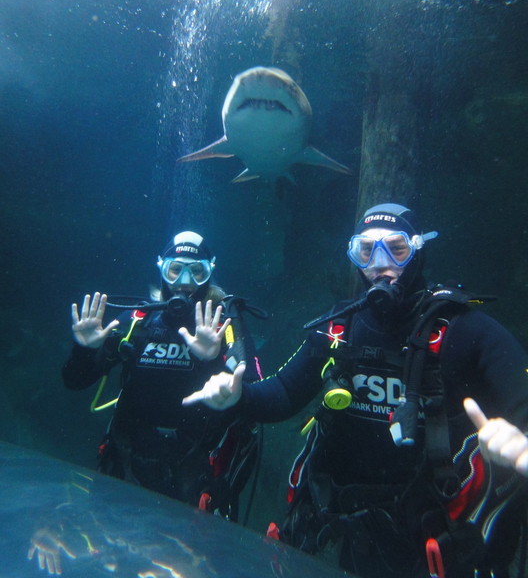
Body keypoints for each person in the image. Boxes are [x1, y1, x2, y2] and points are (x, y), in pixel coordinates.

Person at [183, 204, 528, 578]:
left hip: (441, 532)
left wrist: (519, 436)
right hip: (357, 529)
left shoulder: (467, 330)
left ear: (418, 250)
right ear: (355, 256)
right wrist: (237, 397)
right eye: (366, 251)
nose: (381, 264)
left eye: (396, 249)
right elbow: (283, 394)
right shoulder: (338, 328)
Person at [63, 231, 264, 521]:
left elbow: (253, 391)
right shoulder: (137, 322)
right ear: (161, 268)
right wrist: (84, 349)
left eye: (196, 271)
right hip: (129, 466)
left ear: (210, 271)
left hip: (197, 476)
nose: (184, 282)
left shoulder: (226, 324)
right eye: (175, 269)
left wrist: (210, 361)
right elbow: (74, 381)